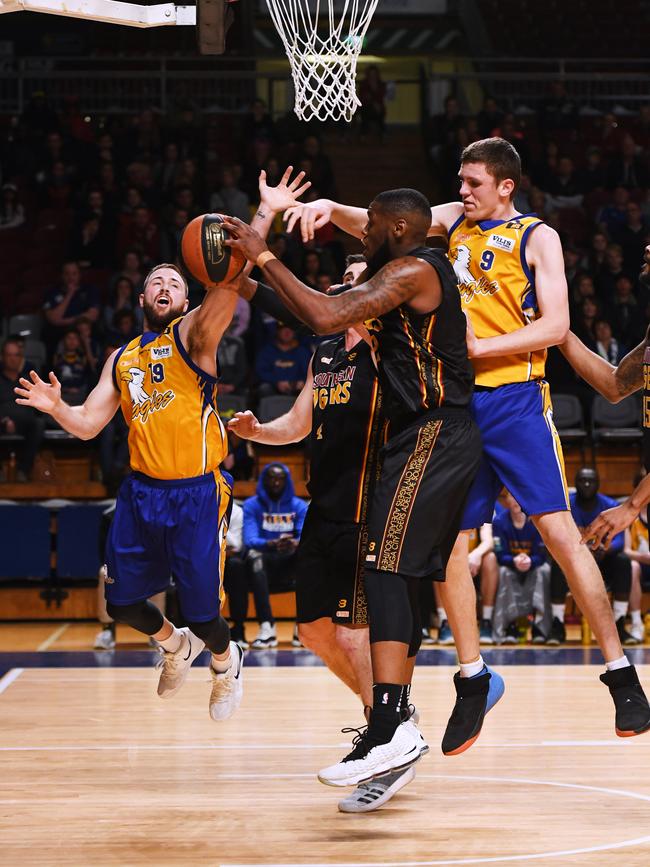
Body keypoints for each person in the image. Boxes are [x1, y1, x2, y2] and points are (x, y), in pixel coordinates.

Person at [284, 137, 650, 740]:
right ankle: (474, 677)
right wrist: (329, 207)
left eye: (473, 183)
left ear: (505, 185)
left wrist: (484, 347)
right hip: (455, 407)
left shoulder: (537, 235)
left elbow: (555, 326)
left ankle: (619, 673)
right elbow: (386, 222)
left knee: (559, 534)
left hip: (517, 397)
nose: (462, 191)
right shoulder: (450, 224)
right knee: (450, 548)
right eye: (460, 182)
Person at [222, 186, 502, 786]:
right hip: (413, 438)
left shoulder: (415, 268)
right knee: (384, 571)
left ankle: (397, 721)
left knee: (384, 571)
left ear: (399, 228)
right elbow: (302, 312)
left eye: (369, 225)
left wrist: (265, 253)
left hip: (438, 428)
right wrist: (247, 263)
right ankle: (391, 723)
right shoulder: (382, 293)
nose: (361, 232)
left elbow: (322, 312)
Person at [15, 166, 311, 721]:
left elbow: (229, 277)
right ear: (142, 297)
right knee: (122, 601)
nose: (165, 286)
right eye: (156, 281)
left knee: (205, 612)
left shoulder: (196, 335)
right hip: (141, 494)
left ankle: (226, 662)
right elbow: (86, 426)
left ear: (185, 294)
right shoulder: (121, 358)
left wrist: (264, 212)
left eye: (175, 281)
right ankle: (173, 646)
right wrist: (58, 407)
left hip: (197, 494)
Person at [231, 255, 419, 811]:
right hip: (325, 506)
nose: (346, 281)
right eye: (345, 274)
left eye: (361, 275)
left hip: (372, 505)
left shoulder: (394, 348)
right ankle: (396, 711)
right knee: (312, 631)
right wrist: (259, 431)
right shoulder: (327, 348)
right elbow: (300, 419)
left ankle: (385, 739)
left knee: (355, 632)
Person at [552, 468, 637, 645]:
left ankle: (620, 622)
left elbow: (620, 540)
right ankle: (557, 624)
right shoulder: (566, 506)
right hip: (574, 562)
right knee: (557, 562)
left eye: (591, 481)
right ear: (575, 483)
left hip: (604, 561)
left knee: (623, 561)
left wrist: (605, 548)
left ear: (598, 483)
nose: (587, 484)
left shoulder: (610, 505)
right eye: (582, 480)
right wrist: (581, 551)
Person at [242, 463, 307, 649]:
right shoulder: (252, 505)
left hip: (289, 562)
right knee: (254, 557)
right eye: (271, 478)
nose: (276, 482)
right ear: (264, 480)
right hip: (263, 564)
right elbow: (250, 539)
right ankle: (267, 627)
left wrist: (295, 543)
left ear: (286, 481)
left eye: (280, 478)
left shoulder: (299, 506)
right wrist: (270, 543)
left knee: (309, 556)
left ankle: (300, 628)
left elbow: (305, 536)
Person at [492, 493, 550, 645]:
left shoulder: (537, 520)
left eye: (519, 496)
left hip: (533, 565)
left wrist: (531, 560)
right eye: (512, 496)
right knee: (503, 571)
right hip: (511, 566)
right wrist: (514, 560)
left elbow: (543, 555)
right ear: (506, 500)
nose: (517, 500)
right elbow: (499, 554)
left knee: (544, 570)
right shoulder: (499, 522)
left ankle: (540, 627)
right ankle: (511, 625)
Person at [0, 337, 46, 481]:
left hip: (25, 422)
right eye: (9, 355)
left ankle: (23, 471)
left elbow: (38, 407)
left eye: (17, 355)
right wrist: (4, 420)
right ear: (2, 357)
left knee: (39, 423)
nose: (13, 359)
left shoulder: (28, 381)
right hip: (2, 422)